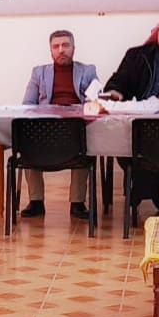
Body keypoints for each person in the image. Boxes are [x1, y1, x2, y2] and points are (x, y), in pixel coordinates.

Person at [18, 29, 97, 220]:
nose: (61, 50)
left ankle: (77, 202)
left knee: (85, 143)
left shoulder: (88, 70)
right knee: (27, 140)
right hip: (45, 128)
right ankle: (36, 201)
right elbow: (27, 104)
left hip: (75, 127)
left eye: (65, 45)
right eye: (56, 46)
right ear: (51, 51)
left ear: (73, 49)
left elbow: (96, 101)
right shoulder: (39, 72)